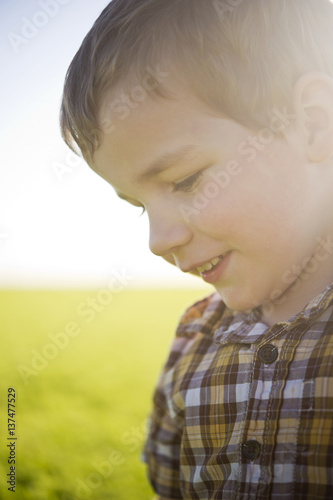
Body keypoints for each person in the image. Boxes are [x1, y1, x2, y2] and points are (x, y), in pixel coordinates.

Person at [60, 0, 333, 498]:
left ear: (313, 124)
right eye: (140, 206)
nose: (158, 240)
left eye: (185, 181)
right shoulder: (192, 342)